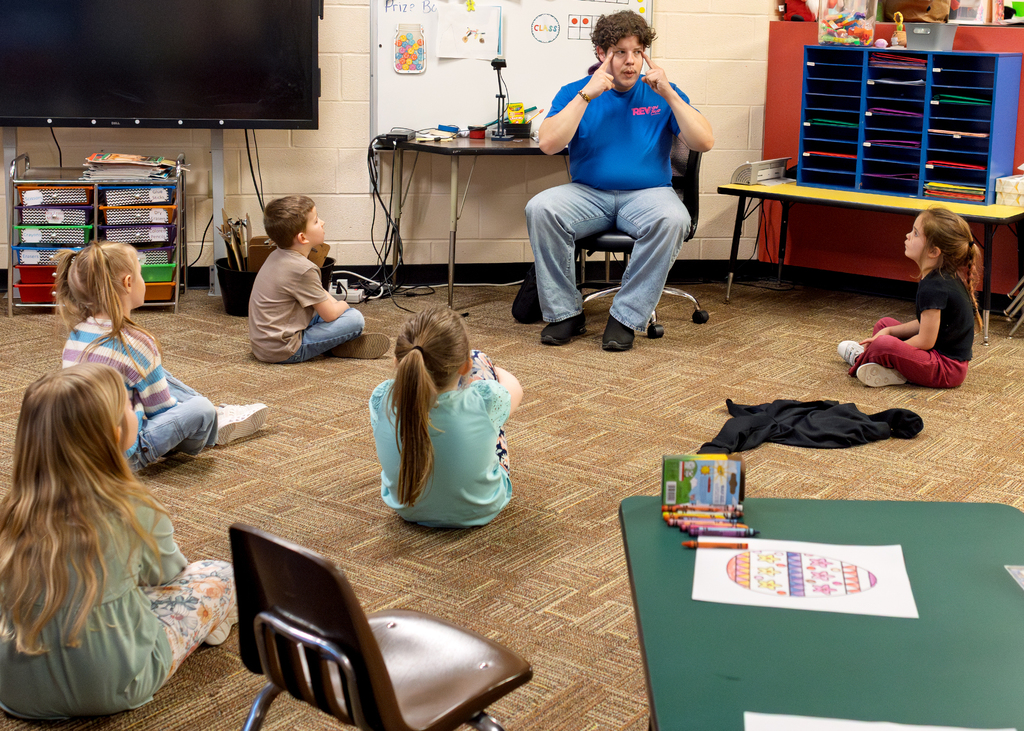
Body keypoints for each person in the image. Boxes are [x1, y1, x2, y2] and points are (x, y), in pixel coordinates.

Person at [0, 364, 237, 720]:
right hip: (119, 683)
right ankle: (206, 631)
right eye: (129, 404)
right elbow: (168, 575)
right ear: (113, 435)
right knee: (220, 575)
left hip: (16, 693)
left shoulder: (9, 514)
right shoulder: (133, 508)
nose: (136, 408)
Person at [524, 10, 714, 351]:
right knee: (541, 208)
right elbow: (549, 145)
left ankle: (626, 316)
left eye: (638, 52)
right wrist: (586, 94)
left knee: (673, 219)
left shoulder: (660, 92)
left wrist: (669, 93)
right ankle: (565, 313)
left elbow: (704, 142)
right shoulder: (576, 91)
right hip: (589, 193)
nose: (631, 62)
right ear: (601, 53)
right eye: (621, 52)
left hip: (648, 194)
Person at [54, 240, 268, 471]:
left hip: (80, 447)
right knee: (200, 409)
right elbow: (161, 409)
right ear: (128, 283)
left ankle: (216, 415)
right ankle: (213, 420)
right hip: (123, 455)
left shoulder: (78, 333)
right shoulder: (136, 343)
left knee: (149, 373)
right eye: (140, 274)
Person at [369, 306, 523, 527]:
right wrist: (485, 375)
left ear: (397, 363)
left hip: (407, 509)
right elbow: (514, 387)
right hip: (482, 506)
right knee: (486, 383)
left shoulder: (382, 396)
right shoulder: (485, 398)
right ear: (464, 367)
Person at [837, 206, 982, 388]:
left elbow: (925, 340)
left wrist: (885, 343)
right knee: (884, 325)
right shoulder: (940, 276)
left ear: (933, 252)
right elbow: (925, 325)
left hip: (946, 369)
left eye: (915, 233)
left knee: (884, 344)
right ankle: (890, 369)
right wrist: (889, 332)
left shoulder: (935, 286)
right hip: (936, 355)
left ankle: (862, 358)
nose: (907, 235)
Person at [249, 195, 390, 363]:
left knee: (323, 308)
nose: (322, 223)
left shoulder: (276, 255)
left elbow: (319, 293)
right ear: (302, 238)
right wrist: (343, 304)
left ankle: (333, 343)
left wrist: (333, 305)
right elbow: (330, 315)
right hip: (285, 350)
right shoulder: (303, 269)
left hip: (263, 345)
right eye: (316, 221)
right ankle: (334, 345)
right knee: (354, 319)